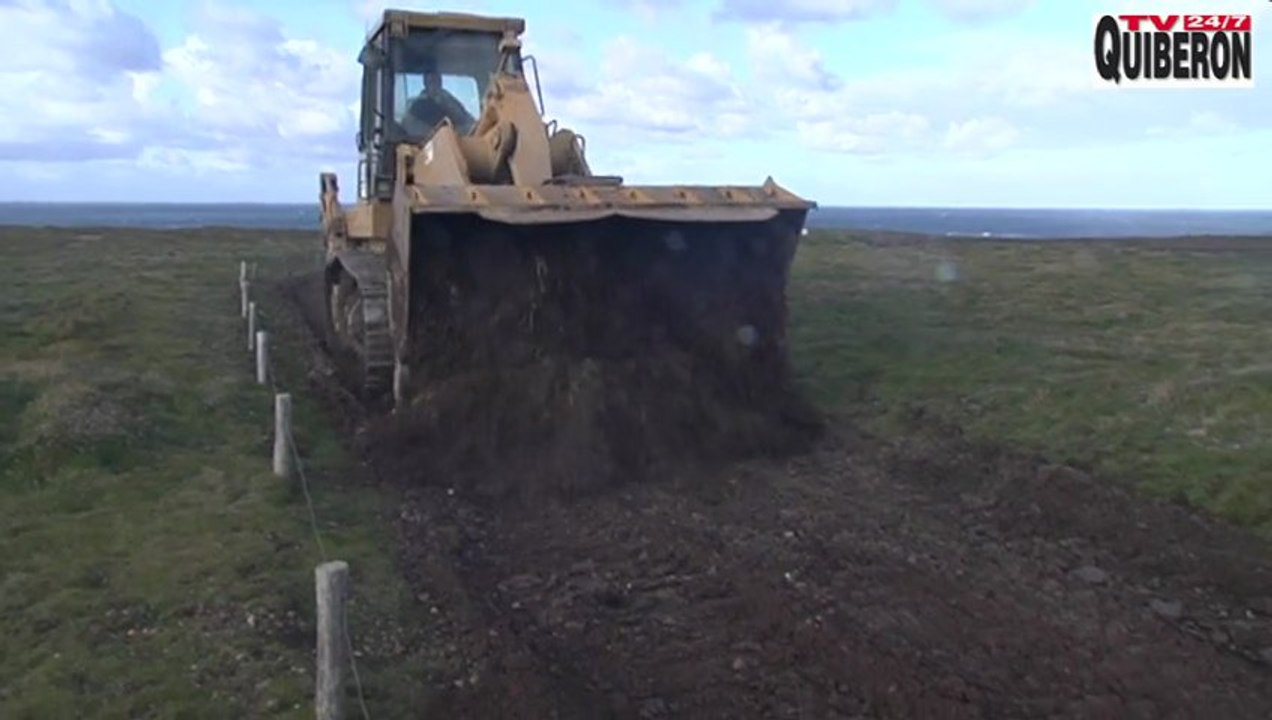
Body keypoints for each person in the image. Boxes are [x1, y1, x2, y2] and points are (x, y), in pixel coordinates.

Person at [402, 66, 475, 135]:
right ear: (425, 84)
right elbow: (407, 130)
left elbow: (468, 122)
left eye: (438, 81)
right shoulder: (416, 107)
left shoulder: (450, 102)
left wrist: (448, 107)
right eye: (431, 82)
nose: (435, 85)